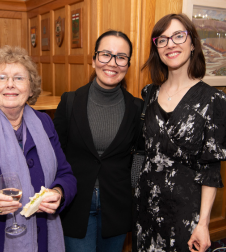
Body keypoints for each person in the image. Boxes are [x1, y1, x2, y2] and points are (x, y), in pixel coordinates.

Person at [134, 13, 226, 252]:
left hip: (186, 213)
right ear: (157, 48)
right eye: (162, 39)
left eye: (178, 36)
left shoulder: (213, 99)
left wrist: (204, 223)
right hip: (146, 207)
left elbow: (211, 168)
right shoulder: (149, 93)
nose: (170, 44)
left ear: (192, 43)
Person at [0, 45, 77, 252]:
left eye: (19, 78)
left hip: (43, 241)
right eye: (1, 77)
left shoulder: (45, 122)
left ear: (31, 88)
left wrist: (59, 192)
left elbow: (66, 174)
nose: (10, 84)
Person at [53, 30, 144, 252]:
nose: (112, 63)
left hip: (117, 206)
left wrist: (131, 185)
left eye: (121, 57)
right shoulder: (69, 101)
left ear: (128, 64)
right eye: (105, 54)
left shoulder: (137, 107)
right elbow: (55, 153)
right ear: (93, 59)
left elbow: (141, 152)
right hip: (75, 204)